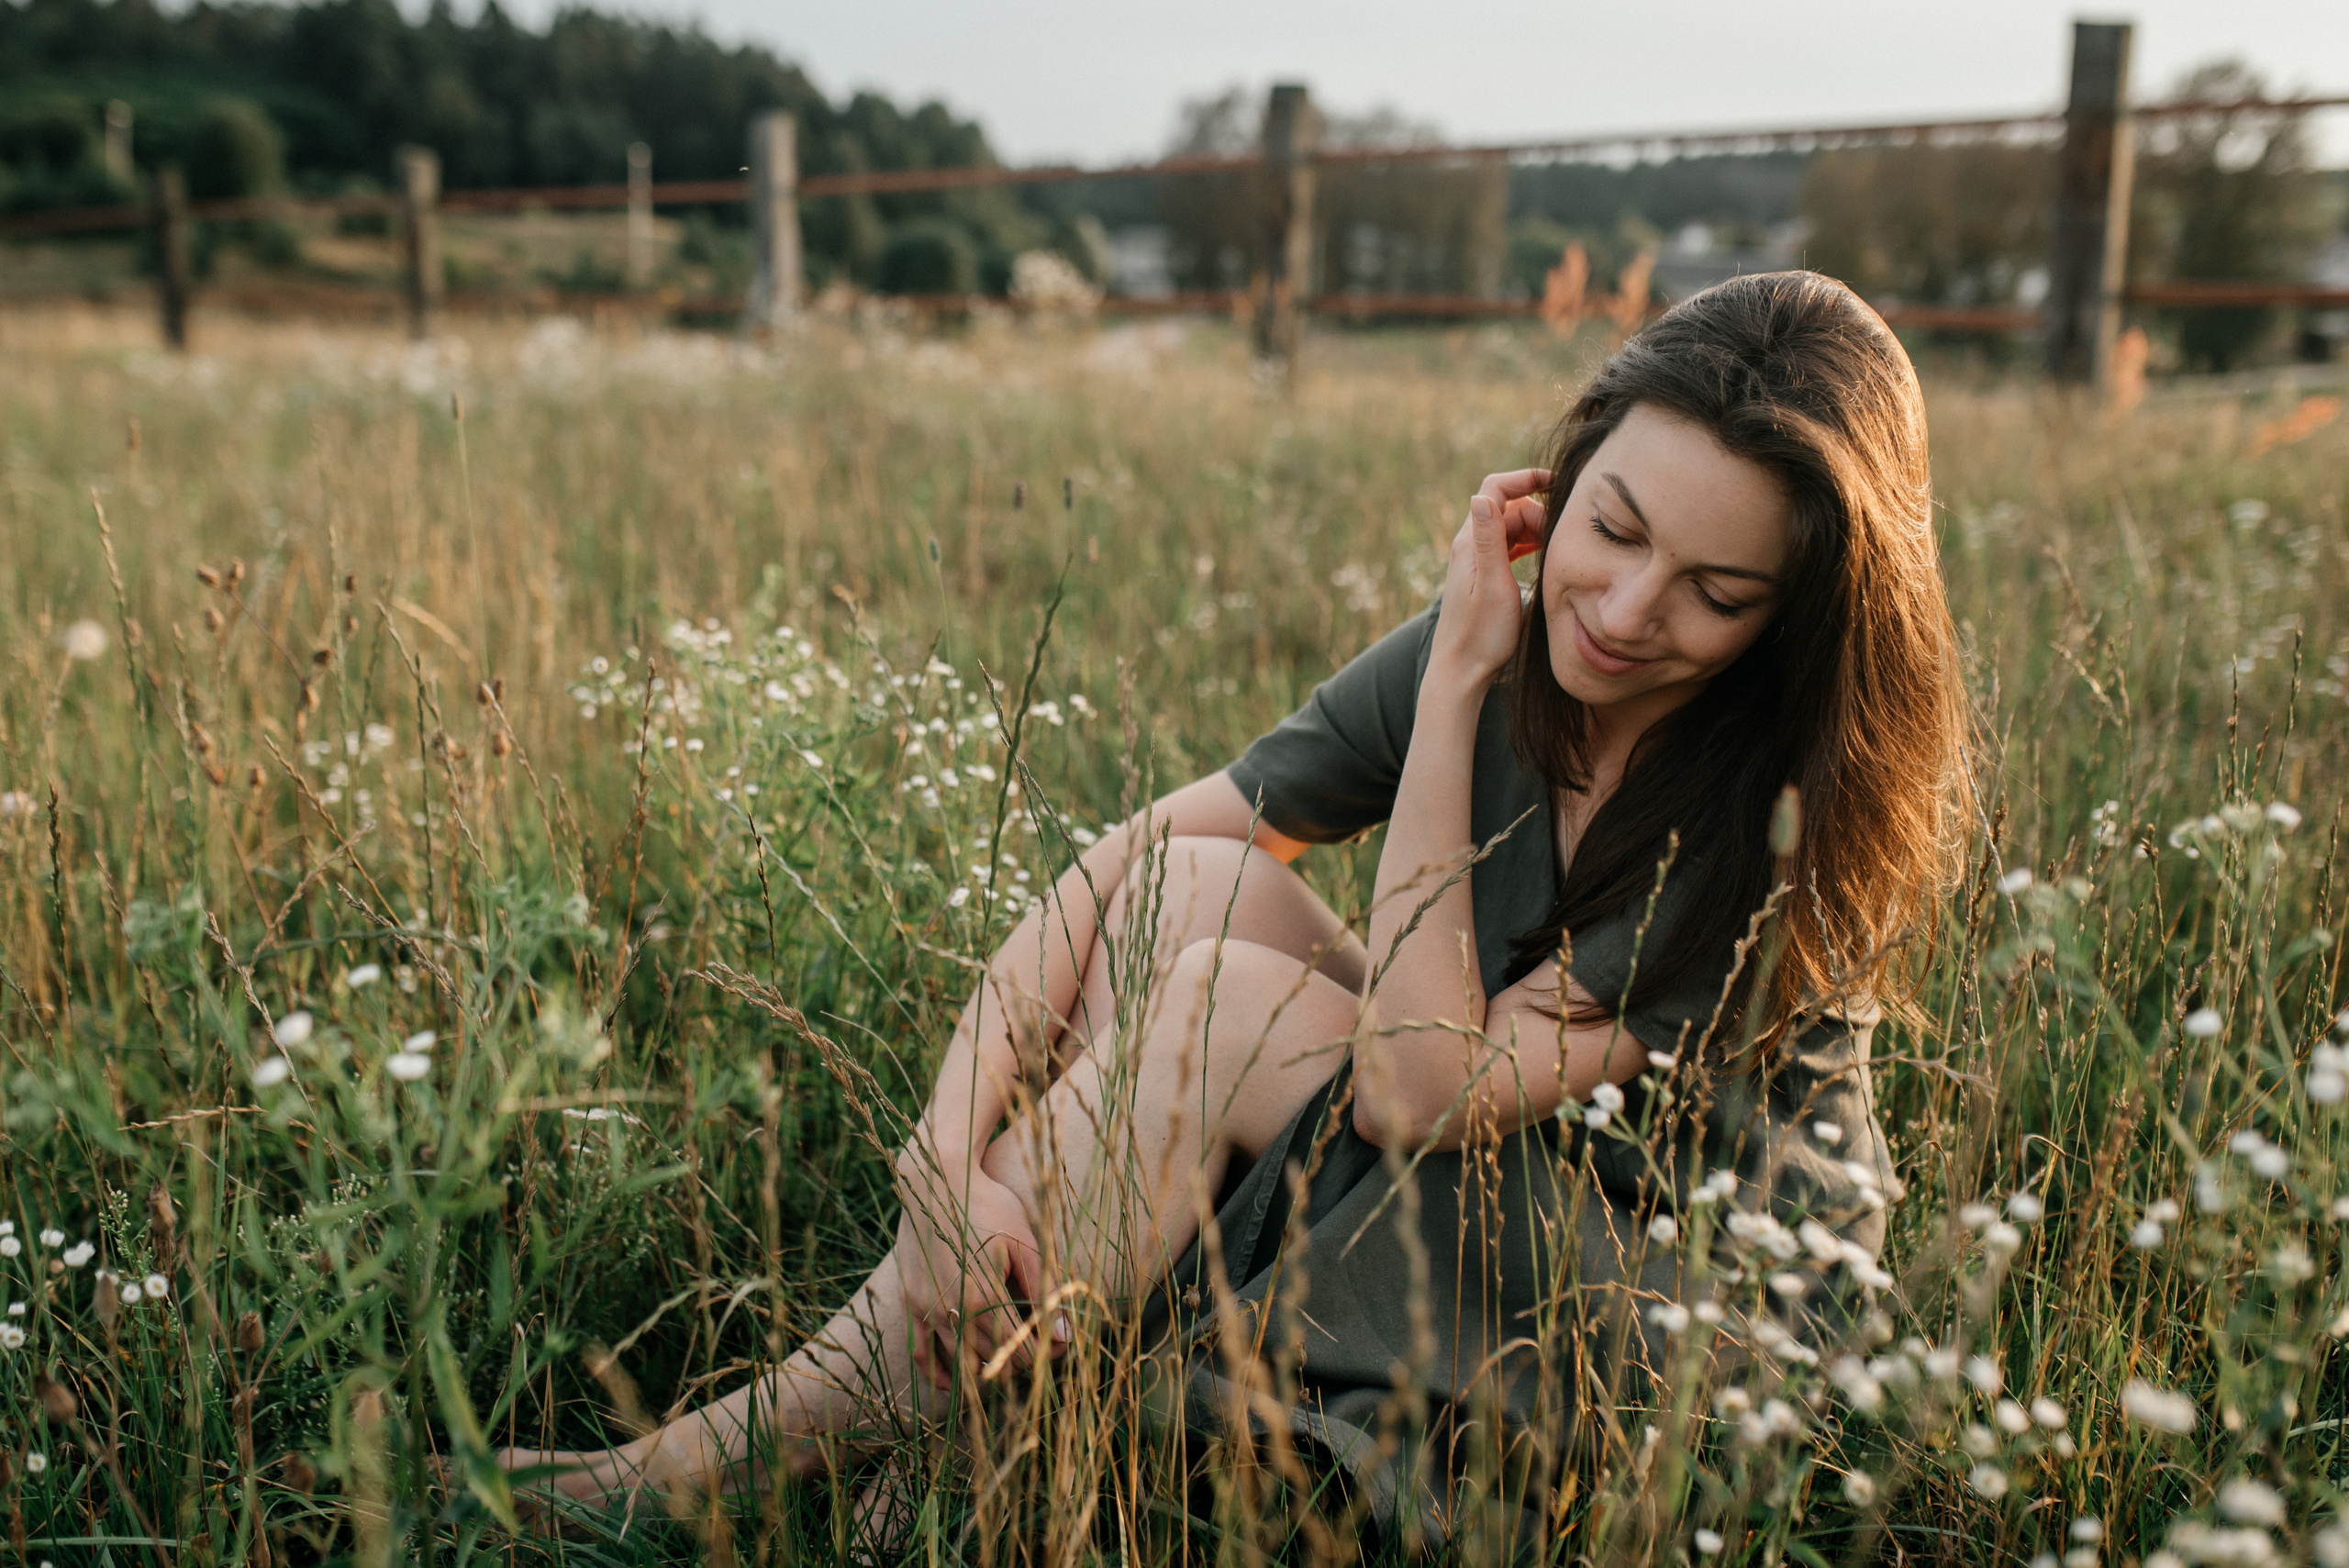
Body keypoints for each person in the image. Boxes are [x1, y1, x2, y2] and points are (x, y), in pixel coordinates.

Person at [498, 271, 1966, 1541]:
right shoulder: (1528, 628)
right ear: (1563, 476)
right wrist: (942, 1157)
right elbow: (1132, 852)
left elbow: (1411, 1083)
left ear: (1800, 614)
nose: (1630, 610)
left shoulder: (1783, 826)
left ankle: (731, 1459)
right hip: (1478, 1153)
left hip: (1674, 1316)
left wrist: (1458, 690)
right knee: (1192, 889)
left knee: (1219, 996)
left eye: (1716, 590)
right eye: (1616, 527)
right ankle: (929, 1406)